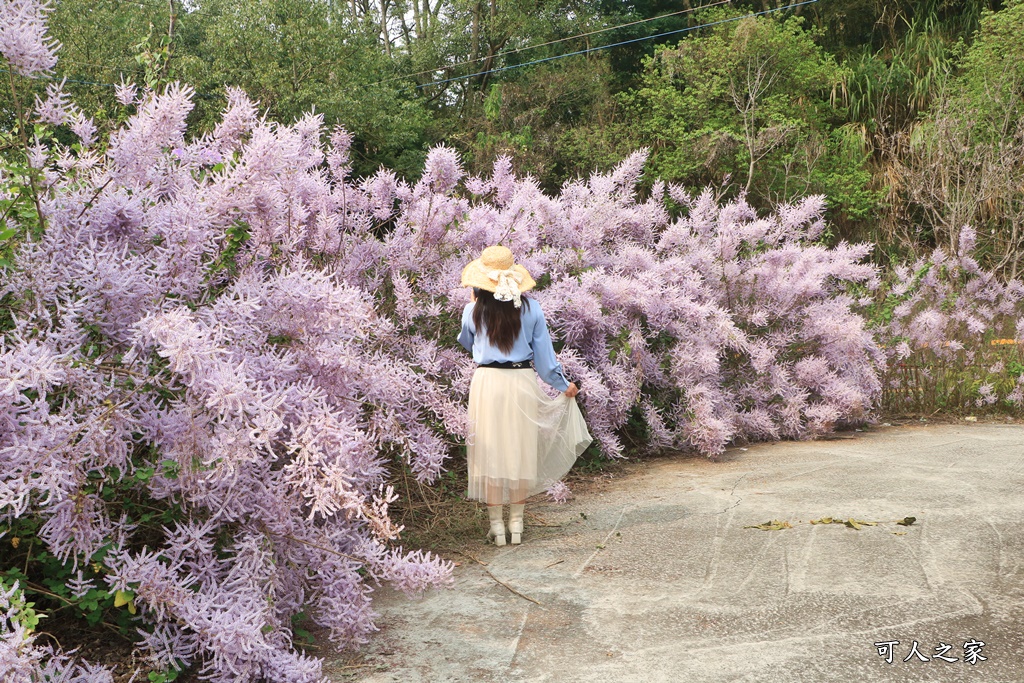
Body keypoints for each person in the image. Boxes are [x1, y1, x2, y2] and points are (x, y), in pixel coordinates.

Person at [458, 245, 592, 546]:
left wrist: (475, 308)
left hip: (486, 383)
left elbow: (468, 343)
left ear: (483, 281)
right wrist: (562, 384)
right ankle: (516, 525)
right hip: (521, 379)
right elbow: (545, 360)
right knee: (519, 451)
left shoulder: (472, 310)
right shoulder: (532, 309)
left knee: (490, 453)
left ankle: (498, 529)